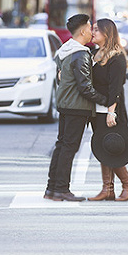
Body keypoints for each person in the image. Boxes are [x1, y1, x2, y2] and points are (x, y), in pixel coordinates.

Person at [45, 14, 110, 202]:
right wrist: (104, 99)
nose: (92, 31)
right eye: (90, 28)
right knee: (69, 148)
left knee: (61, 145)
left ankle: (52, 188)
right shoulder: (80, 53)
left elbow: (60, 76)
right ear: (82, 31)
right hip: (77, 106)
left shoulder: (65, 50)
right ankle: (62, 189)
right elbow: (85, 86)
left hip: (65, 105)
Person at [88, 18, 128, 202]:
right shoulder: (94, 53)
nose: (93, 33)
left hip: (111, 111)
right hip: (97, 110)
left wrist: (111, 111)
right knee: (102, 148)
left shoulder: (116, 57)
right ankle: (107, 189)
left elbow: (115, 88)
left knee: (112, 147)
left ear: (107, 33)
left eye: (96, 30)